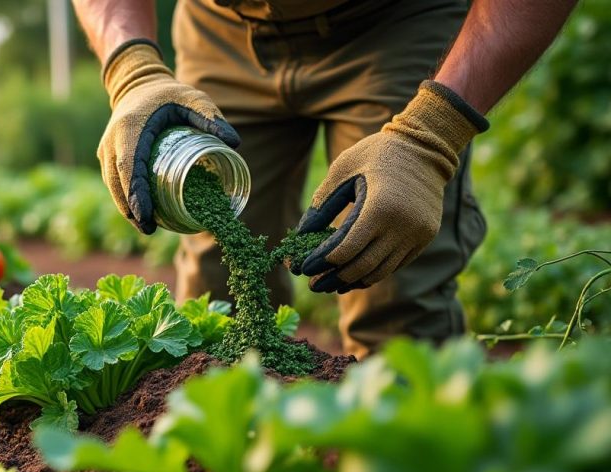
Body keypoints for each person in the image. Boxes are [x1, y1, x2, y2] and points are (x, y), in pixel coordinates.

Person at [72, 0, 578, 358]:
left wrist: (431, 134)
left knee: (391, 288)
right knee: (217, 303)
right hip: (219, 25)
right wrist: (133, 70)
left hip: (395, 18)